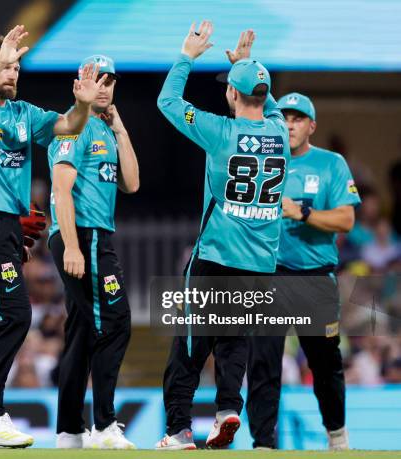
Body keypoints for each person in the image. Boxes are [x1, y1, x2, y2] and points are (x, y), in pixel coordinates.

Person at [0, 25, 106, 448]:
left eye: (17, 67)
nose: (13, 73)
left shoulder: (24, 115)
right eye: (6, 66)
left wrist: (83, 105)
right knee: (16, 315)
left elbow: (67, 127)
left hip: (7, 228)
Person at [155, 24, 290, 449]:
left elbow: (168, 102)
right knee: (234, 343)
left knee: (190, 345)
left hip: (216, 256)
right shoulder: (281, 133)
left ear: (231, 94)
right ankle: (227, 410)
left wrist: (186, 55)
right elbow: (267, 105)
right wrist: (247, 70)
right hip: (260, 263)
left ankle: (178, 429)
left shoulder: (218, 131)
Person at [246, 93, 360, 450]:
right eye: (285, 118)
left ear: (311, 126)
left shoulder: (331, 164)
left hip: (315, 277)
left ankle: (337, 435)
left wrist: (303, 214)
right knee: (263, 360)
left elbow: (347, 219)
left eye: (298, 119)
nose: (290, 125)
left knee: (325, 363)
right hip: (270, 275)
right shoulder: (263, 160)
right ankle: (263, 442)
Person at [48, 55, 139, 450]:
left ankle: (69, 430)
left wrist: (120, 130)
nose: (103, 87)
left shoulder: (103, 128)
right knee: (116, 321)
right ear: (80, 82)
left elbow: (131, 184)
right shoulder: (76, 125)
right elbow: (60, 189)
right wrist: (71, 245)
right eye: (95, 79)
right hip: (83, 236)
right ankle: (104, 424)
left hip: (94, 236)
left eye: (109, 80)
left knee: (83, 331)